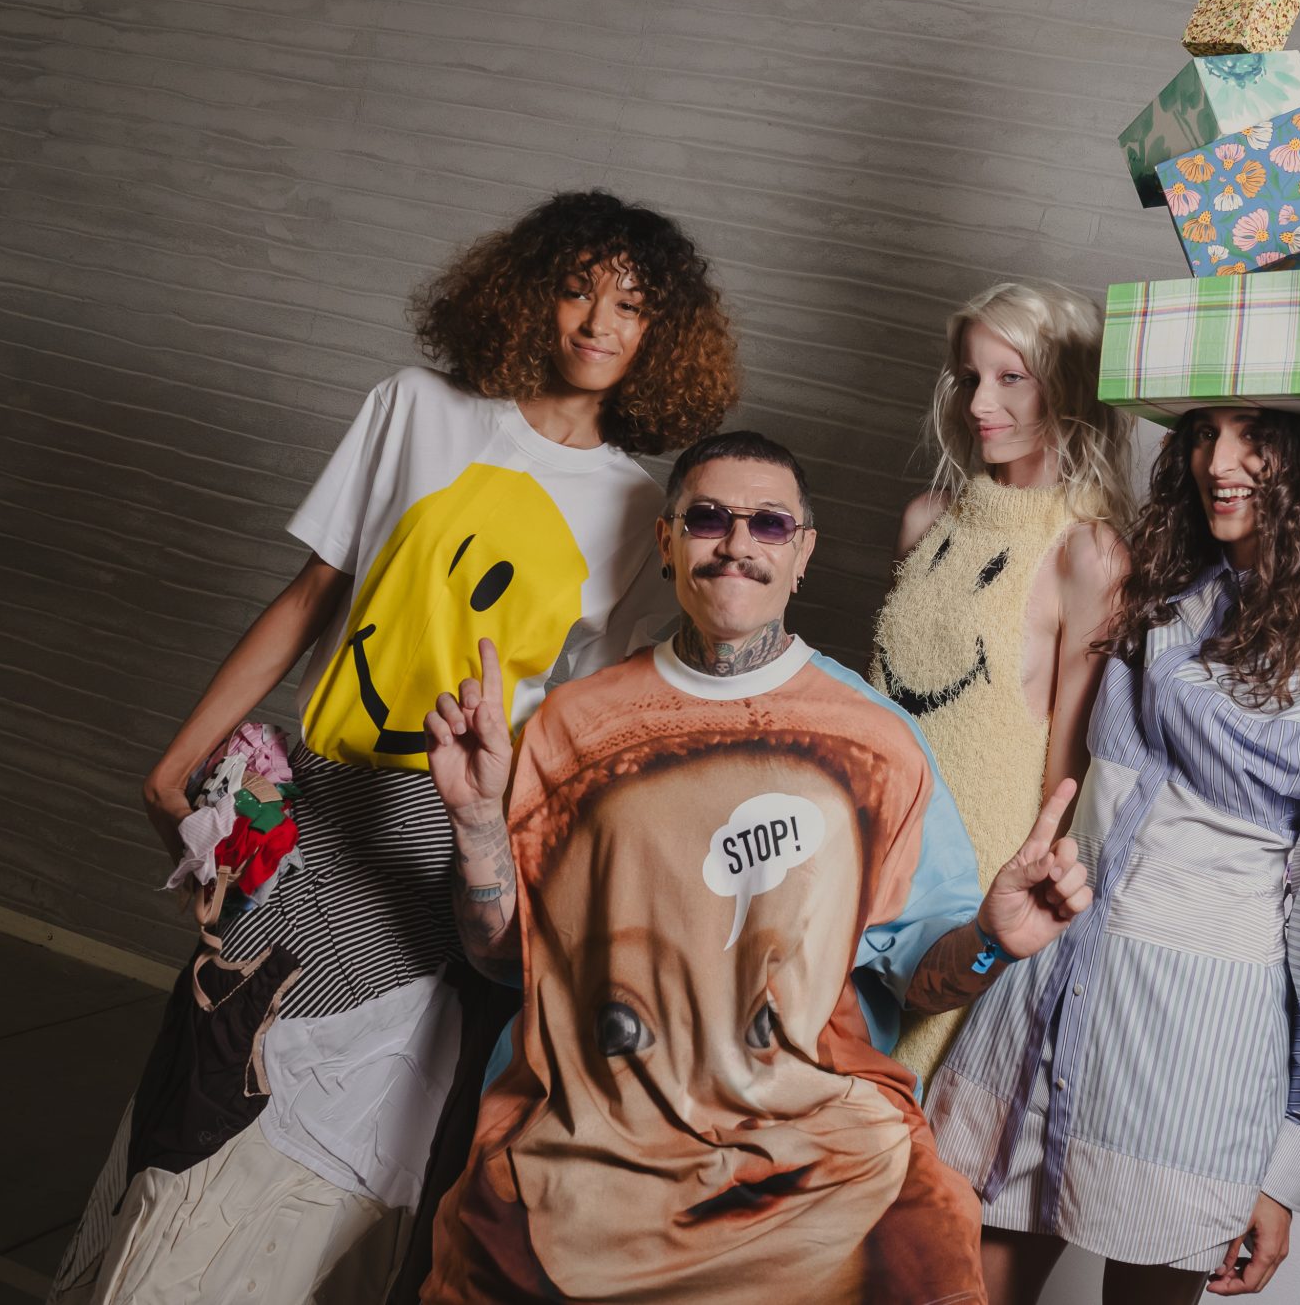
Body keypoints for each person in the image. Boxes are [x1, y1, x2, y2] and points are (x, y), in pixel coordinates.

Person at [49, 191, 741, 1304]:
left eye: (630, 305)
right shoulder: (415, 410)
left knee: (368, 1145)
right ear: (529, 294)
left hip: (446, 853)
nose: (598, 323)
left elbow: (576, 730)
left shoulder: (636, 512)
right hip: (312, 807)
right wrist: (175, 764)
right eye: (577, 290)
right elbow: (310, 596)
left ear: (662, 334)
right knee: (214, 1083)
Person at [416, 432, 1095, 1303]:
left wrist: (992, 938)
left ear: (802, 553)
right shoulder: (569, 727)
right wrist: (477, 823)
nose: (738, 543)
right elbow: (503, 961)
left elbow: (924, 982)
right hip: (591, 1140)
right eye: (708, 518)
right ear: (667, 541)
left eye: (769, 524)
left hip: (809, 1146)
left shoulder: (876, 743)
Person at [927, 409, 1300, 1304]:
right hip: (1036, 1011)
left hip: (1184, 1063)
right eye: (1203, 434)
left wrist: (1291, 1168)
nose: (1217, 463)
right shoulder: (1153, 599)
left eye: (1253, 437)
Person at [872, 283, 1134, 1083]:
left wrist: (1015, 912)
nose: (980, 403)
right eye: (970, 377)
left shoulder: (1088, 554)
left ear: (1069, 386)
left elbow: (1069, 773)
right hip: (868, 830)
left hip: (977, 865)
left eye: (1010, 377)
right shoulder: (927, 521)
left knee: (898, 1099)